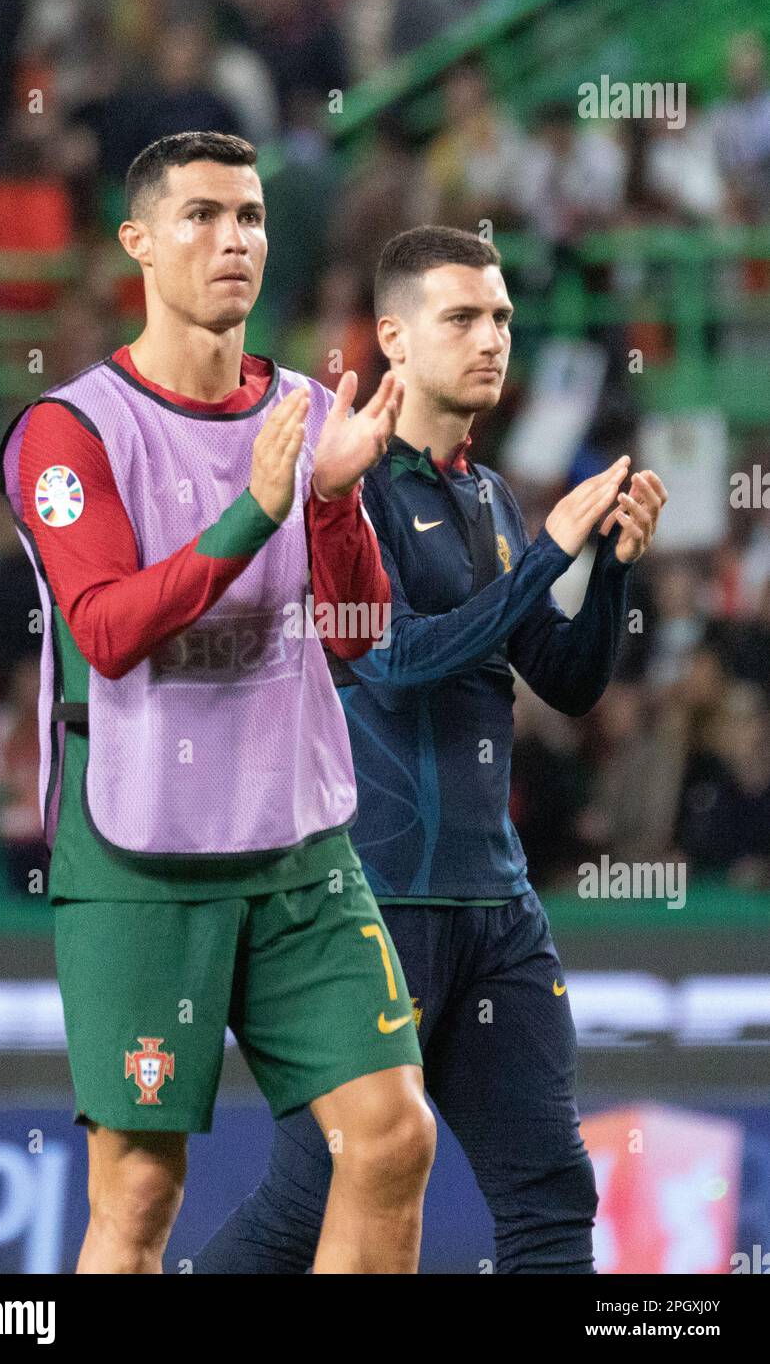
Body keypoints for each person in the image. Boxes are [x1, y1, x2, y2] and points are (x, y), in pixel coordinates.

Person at [0, 133, 436, 1274]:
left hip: (296, 845)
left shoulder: (304, 409)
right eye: (198, 216)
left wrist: (333, 501)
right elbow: (109, 627)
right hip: (142, 854)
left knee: (389, 1138)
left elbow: (355, 640)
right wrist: (256, 509)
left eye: (246, 215)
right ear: (137, 242)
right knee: (138, 1194)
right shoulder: (70, 431)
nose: (231, 238)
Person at [194, 225, 667, 1274]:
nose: (491, 337)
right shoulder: (343, 487)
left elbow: (565, 679)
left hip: (494, 910)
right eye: (461, 317)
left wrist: (607, 569)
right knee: (309, 1201)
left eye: (499, 316)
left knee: (550, 1197)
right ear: (395, 341)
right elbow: (394, 662)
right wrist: (546, 556)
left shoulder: (489, 496)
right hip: (372, 907)